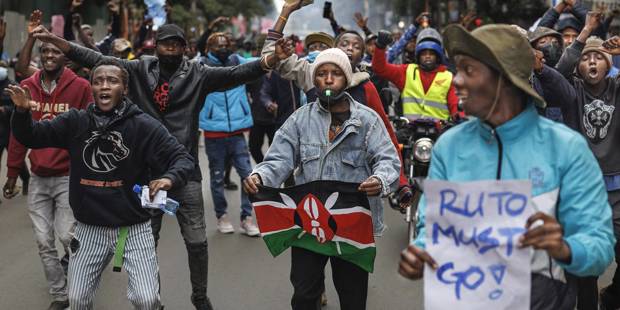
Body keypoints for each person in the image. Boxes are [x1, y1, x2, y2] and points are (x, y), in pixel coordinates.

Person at [30, 22, 285, 309]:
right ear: (156, 46)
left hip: (183, 170)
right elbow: (96, 60)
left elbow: (236, 74)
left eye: (177, 44)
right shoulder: (138, 69)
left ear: (185, 48)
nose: (171, 49)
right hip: (144, 177)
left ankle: (199, 296)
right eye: (166, 44)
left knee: (198, 241)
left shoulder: (198, 74)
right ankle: (155, 300)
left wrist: (269, 61)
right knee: (146, 244)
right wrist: (56, 40)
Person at [398, 24, 615, 310]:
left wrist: (565, 248)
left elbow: (599, 248)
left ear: (504, 79)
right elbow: (433, 225)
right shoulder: (449, 147)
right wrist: (422, 250)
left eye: (469, 70)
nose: (456, 81)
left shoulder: (566, 149)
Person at [7, 58, 195, 310]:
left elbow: (182, 158)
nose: (104, 86)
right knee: (77, 300)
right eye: (98, 82)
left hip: (133, 228)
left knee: (147, 299)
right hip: (88, 228)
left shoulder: (143, 125)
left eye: (112, 81)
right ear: (92, 88)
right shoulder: (76, 121)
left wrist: (168, 178)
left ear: (124, 89)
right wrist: (21, 112)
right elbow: (31, 135)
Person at [243, 48, 400, 310]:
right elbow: (279, 159)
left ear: (346, 79)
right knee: (304, 295)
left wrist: (380, 180)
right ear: (314, 81)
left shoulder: (367, 120)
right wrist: (260, 175)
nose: (328, 79)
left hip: (352, 227)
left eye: (336, 73)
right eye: (322, 74)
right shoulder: (299, 119)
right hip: (308, 222)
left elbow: (389, 161)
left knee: (353, 298)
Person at [263, 0, 411, 227]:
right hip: (313, 205)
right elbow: (271, 58)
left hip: (352, 206)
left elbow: (386, 142)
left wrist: (395, 182)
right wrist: (285, 12)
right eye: (344, 43)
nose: (328, 80)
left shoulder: (367, 91)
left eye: (356, 45)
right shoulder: (308, 79)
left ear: (362, 55)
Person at [4, 24, 92, 309]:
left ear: (66, 58)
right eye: (45, 51)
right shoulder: (27, 88)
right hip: (40, 177)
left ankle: (82, 280)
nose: (50, 55)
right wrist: (12, 173)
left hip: (69, 175)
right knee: (43, 240)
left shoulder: (81, 88)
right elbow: (18, 135)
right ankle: (60, 294)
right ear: (40, 55)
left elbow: (92, 128)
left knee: (68, 235)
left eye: (56, 51)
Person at [536, 31, 620, 309]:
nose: (592, 62)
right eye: (586, 59)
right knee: (587, 269)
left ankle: (612, 296)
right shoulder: (572, 92)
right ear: (579, 67)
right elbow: (555, 74)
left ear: (609, 64)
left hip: (617, 190)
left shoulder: (617, 88)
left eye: (599, 58)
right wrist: (581, 38)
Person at [198, 32, 260, 236]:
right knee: (216, 178)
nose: (223, 48)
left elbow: (261, 62)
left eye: (226, 44)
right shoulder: (201, 65)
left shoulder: (237, 61)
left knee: (248, 176)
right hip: (213, 134)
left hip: (237, 133)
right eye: (218, 45)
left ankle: (246, 218)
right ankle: (221, 216)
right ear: (209, 48)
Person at [372, 27, 459, 121]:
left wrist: (459, 119)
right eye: (424, 53)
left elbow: (455, 106)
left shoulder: (448, 77)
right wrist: (380, 46)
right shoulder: (407, 71)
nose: (428, 56)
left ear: (438, 56)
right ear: (418, 55)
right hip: (410, 132)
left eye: (431, 53)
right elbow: (379, 68)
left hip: (440, 133)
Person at [0, 61, 30, 199]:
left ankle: (26, 179)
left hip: (10, 130)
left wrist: (5, 110)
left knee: (17, 160)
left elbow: (20, 108)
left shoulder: (12, 87)